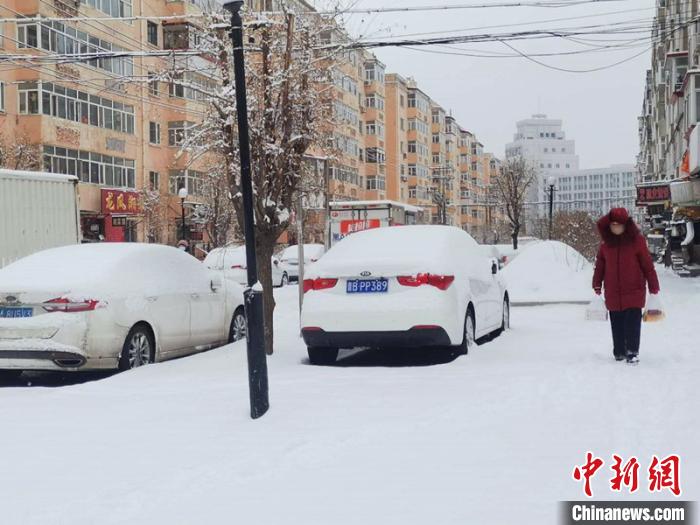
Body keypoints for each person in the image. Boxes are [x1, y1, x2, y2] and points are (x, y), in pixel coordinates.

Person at [592, 208, 660, 364]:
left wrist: (653, 285)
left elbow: (647, 265)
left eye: (619, 225)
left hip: (634, 289)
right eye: (613, 225)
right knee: (616, 322)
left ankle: (632, 351)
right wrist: (596, 283)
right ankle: (619, 351)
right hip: (613, 291)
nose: (615, 228)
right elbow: (600, 265)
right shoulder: (606, 244)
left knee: (632, 323)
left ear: (625, 225)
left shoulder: (637, 241)